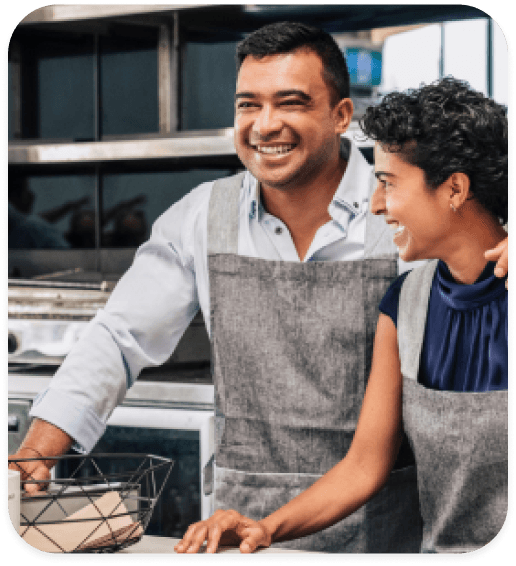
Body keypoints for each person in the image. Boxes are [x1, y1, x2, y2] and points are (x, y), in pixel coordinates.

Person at [9, 23, 508, 553]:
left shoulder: (408, 219)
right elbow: (119, 336)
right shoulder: (201, 216)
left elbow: (477, 223)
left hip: (386, 531)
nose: (265, 125)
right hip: (243, 529)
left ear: (341, 116)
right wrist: (40, 446)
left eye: (290, 102)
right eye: (249, 105)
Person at [174, 77, 509, 555]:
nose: (375, 205)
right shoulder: (405, 303)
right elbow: (363, 467)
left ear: (454, 189)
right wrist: (266, 528)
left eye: (389, 184)